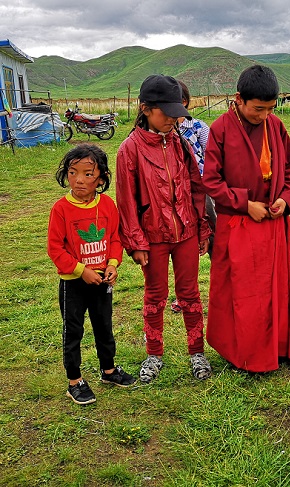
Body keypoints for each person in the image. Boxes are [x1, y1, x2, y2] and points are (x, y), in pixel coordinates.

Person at [202, 64, 290, 372]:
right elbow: (211, 180)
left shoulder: (276, 125)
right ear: (238, 99)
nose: (264, 116)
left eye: (270, 109)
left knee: (277, 289)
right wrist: (245, 204)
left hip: (274, 224)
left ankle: (281, 347)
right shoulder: (220, 129)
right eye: (258, 109)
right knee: (243, 294)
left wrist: (285, 198)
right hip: (239, 225)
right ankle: (243, 353)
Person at [116, 74, 213, 383]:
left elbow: (196, 189)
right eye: (167, 112)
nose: (174, 118)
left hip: (185, 233)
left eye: (177, 112)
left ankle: (197, 352)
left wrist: (202, 228)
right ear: (146, 109)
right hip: (152, 238)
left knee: (189, 293)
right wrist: (136, 242)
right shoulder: (129, 150)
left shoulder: (181, 144)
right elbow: (127, 202)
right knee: (155, 296)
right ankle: (154, 354)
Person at [48, 144, 135, 405]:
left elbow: (115, 239)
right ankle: (74, 381)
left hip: (101, 281)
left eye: (87, 174)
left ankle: (108, 371)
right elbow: (55, 248)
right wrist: (80, 270)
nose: (78, 180)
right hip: (73, 283)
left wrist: (112, 264)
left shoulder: (107, 205)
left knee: (104, 326)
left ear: (102, 178)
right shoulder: (61, 209)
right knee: (73, 331)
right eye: (73, 172)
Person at [170, 80, 216, 313]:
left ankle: (223, 289)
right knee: (183, 249)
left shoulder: (198, 127)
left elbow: (212, 158)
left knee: (213, 241)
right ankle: (183, 296)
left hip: (202, 194)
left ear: (184, 103)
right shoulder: (161, 132)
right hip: (174, 197)